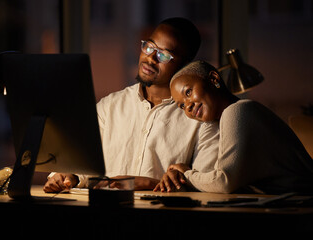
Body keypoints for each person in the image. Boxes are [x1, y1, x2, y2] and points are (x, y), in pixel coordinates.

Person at [43, 18, 220, 192]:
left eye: (163, 55)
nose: (150, 58)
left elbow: (206, 185)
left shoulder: (199, 117)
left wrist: (149, 184)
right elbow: (80, 163)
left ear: (184, 65)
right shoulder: (109, 107)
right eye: (149, 47)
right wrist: (67, 176)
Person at [154, 60, 313, 194]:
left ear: (214, 79)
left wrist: (186, 173)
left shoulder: (238, 110)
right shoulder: (226, 118)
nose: (187, 106)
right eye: (181, 105)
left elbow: (223, 181)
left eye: (188, 92)